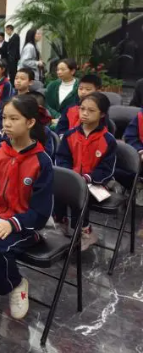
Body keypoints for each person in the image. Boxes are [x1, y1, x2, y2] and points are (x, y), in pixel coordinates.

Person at [0, 95, 53, 319]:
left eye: (14, 119)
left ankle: (16, 283)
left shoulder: (41, 161)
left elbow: (40, 212)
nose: (6, 124)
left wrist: (12, 223)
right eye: (5, 118)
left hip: (24, 225)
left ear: (30, 122)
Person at [55, 93, 116, 250]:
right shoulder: (70, 135)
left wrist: (88, 178)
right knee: (57, 188)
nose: (85, 113)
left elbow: (107, 168)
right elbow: (62, 158)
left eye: (91, 110)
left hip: (95, 183)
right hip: (73, 179)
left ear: (102, 114)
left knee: (80, 195)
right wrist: (71, 176)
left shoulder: (108, 140)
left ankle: (85, 231)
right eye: (82, 109)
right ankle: (60, 222)